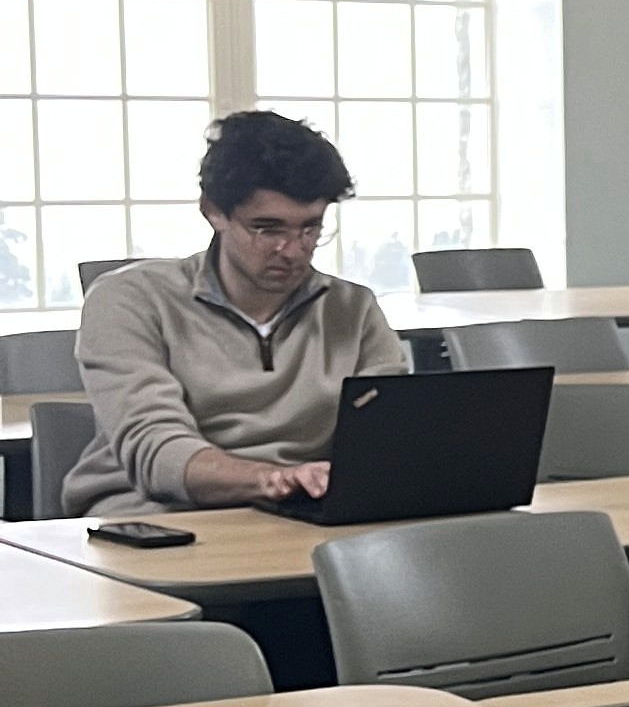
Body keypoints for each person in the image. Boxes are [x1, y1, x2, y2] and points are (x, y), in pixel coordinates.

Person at [68, 107, 407, 519]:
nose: (293, 250)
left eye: (310, 228)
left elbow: (386, 443)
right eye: (268, 229)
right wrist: (274, 479)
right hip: (154, 514)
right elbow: (158, 453)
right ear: (214, 212)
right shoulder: (130, 300)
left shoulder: (354, 309)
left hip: (301, 513)